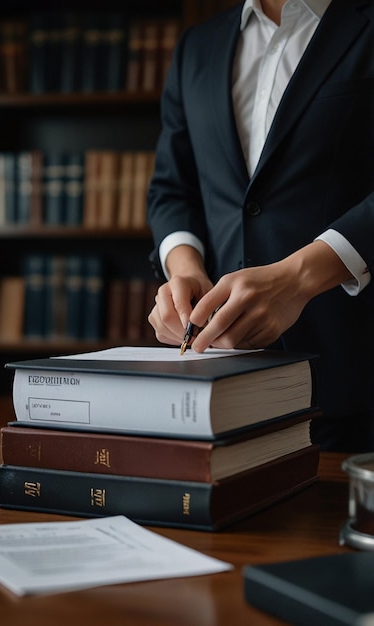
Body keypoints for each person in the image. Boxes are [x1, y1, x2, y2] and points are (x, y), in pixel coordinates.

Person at [146, 0, 374, 452]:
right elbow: (172, 187)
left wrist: (298, 279)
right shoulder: (197, 46)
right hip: (217, 394)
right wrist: (184, 268)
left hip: (356, 384)